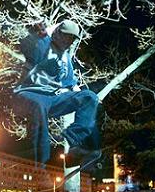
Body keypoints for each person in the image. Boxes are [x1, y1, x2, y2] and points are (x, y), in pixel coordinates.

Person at [13, 19, 100, 167]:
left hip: (52, 99)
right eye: (66, 37)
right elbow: (30, 44)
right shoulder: (44, 42)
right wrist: (35, 33)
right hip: (29, 94)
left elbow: (72, 84)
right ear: (58, 33)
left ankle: (76, 144)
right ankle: (40, 164)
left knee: (90, 97)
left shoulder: (66, 58)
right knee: (39, 106)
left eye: (72, 39)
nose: (69, 41)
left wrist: (86, 100)